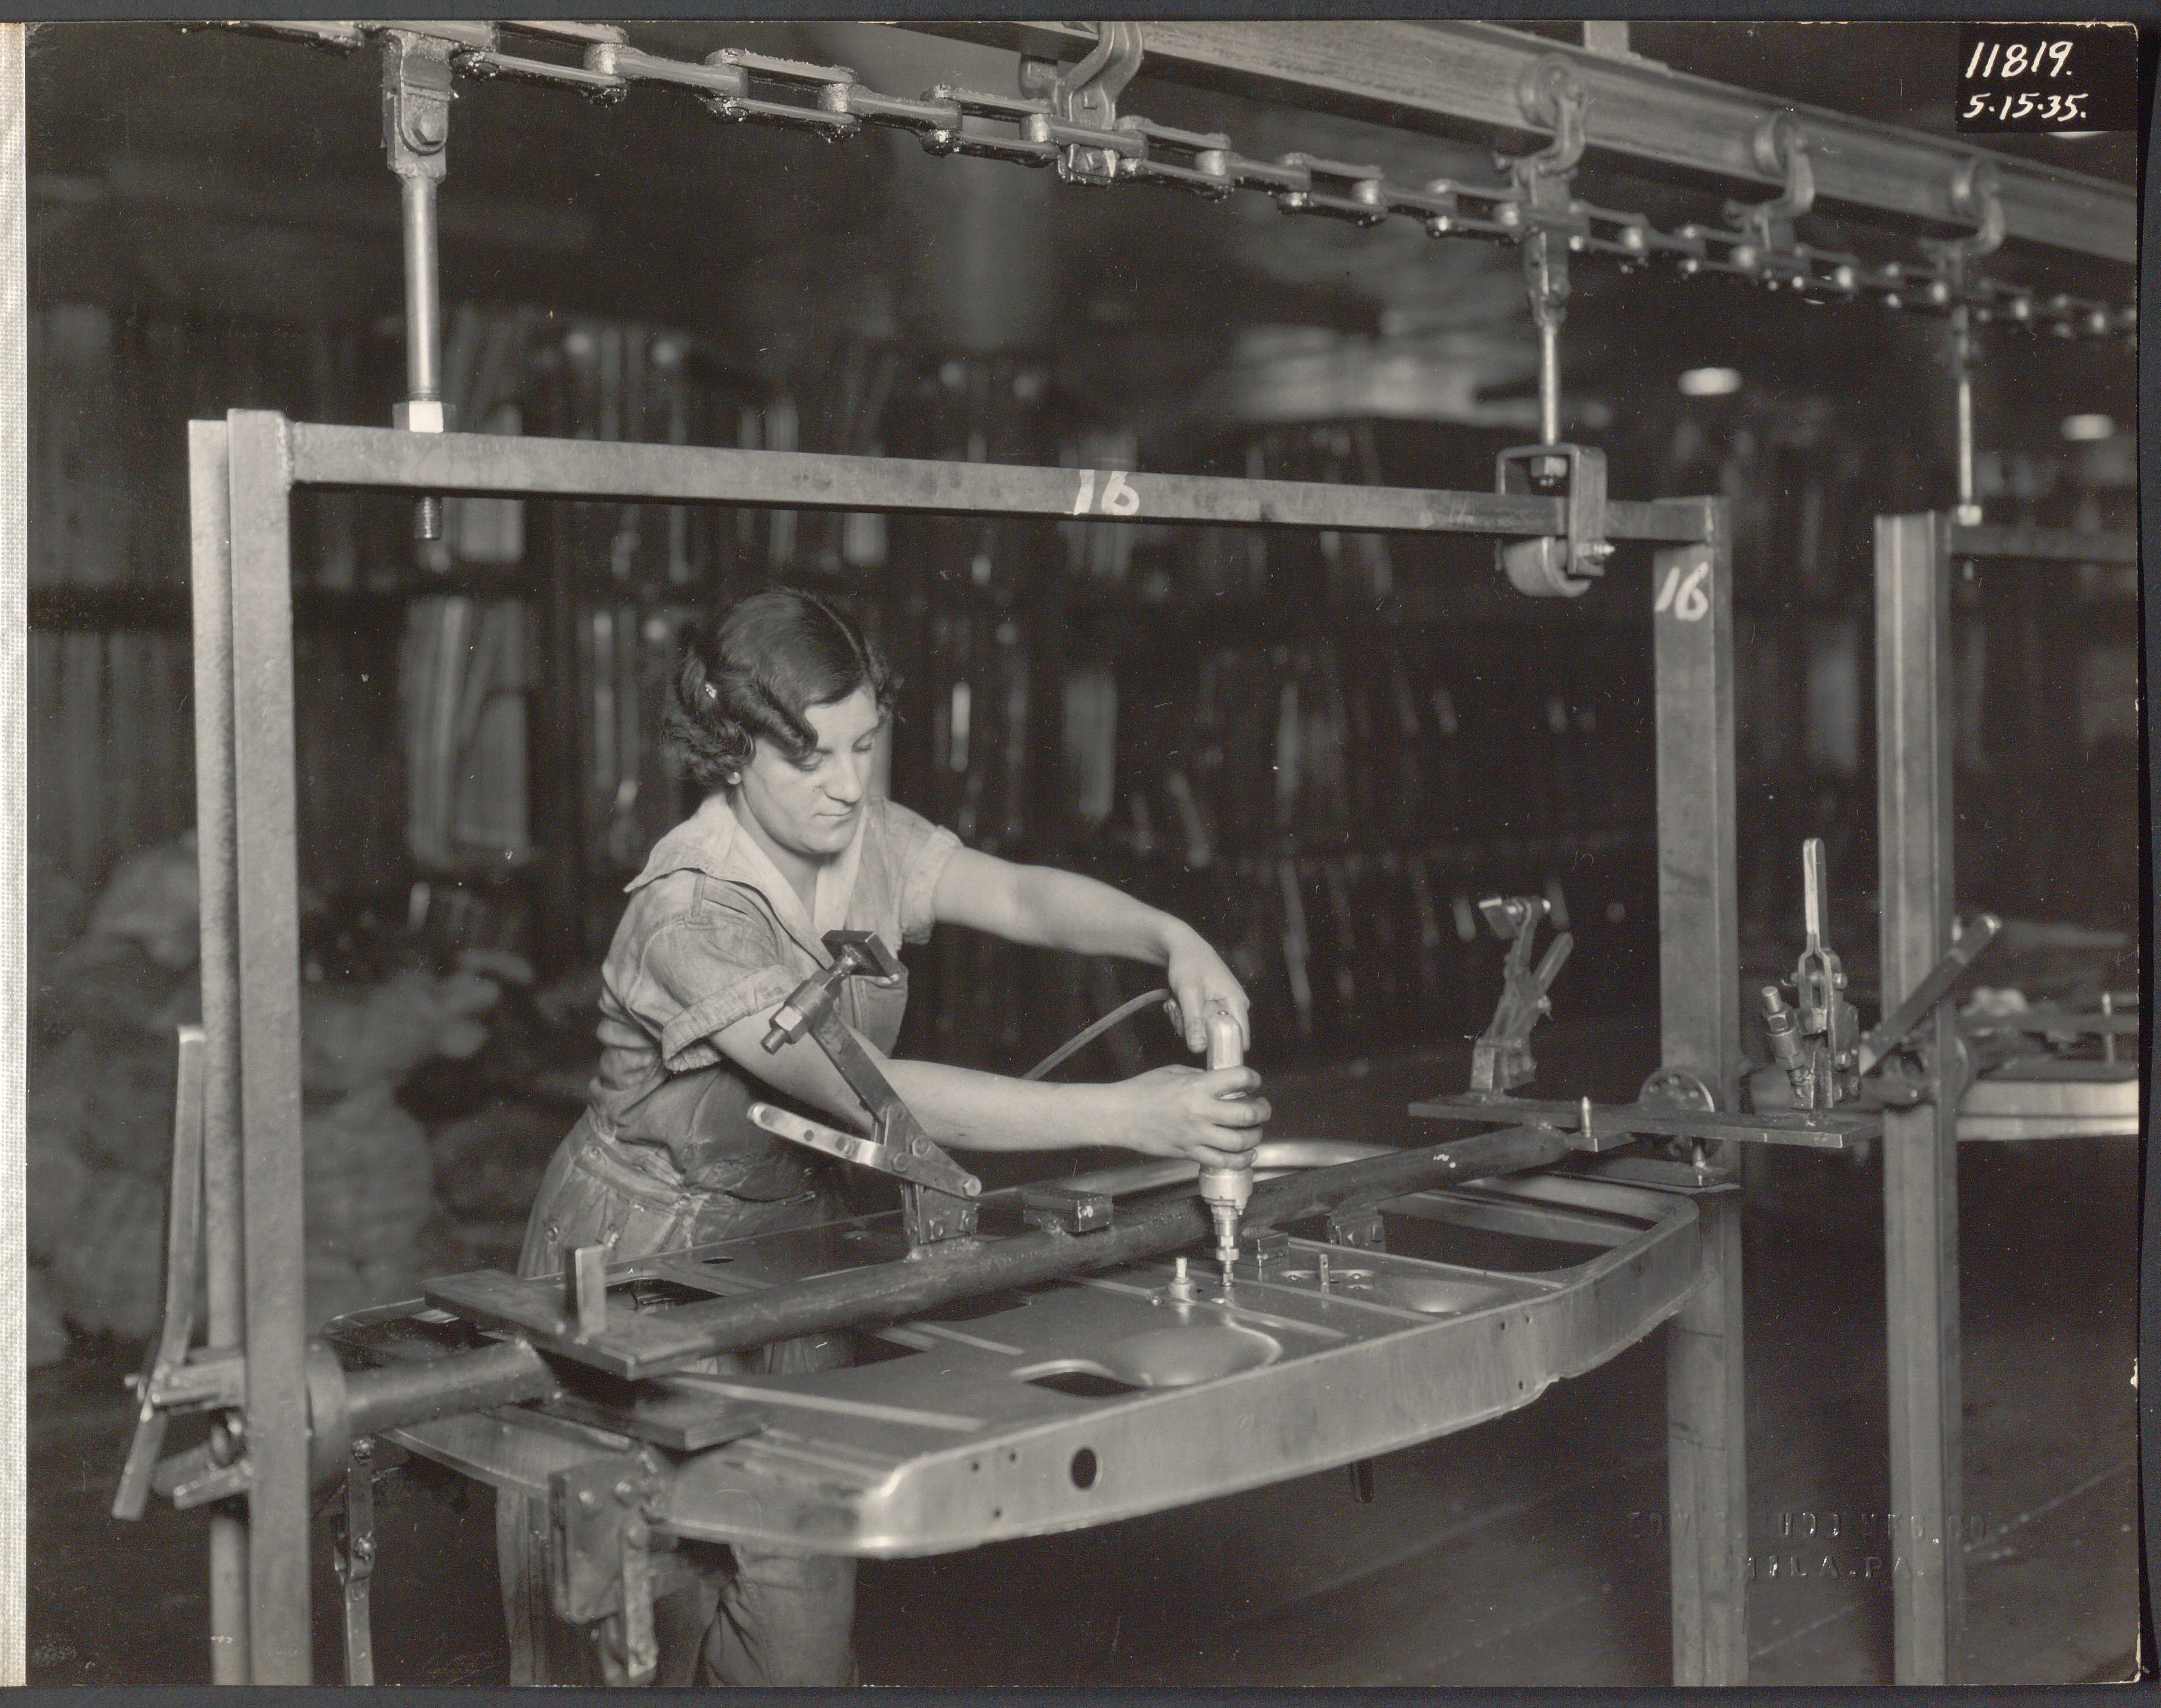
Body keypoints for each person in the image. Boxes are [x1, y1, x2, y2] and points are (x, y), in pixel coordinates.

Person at [498, 586, 1267, 1687]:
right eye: (808, 757)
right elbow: (867, 1093)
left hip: (788, 1254)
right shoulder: (690, 910)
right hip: (636, 1267)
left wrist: (1169, 936)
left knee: (800, 1626)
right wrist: (1130, 1115)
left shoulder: (862, 839)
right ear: (727, 748)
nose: (848, 785)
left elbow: (1021, 897)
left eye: (865, 744)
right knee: (628, 1628)